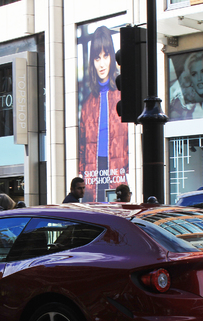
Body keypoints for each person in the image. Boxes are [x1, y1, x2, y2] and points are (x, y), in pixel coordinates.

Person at [78, 25, 128, 202]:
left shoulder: (122, 95)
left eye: (106, 56)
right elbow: (83, 148)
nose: (101, 63)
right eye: (97, 58)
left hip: (116, 169)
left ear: (112, 57)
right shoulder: (87, 104)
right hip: (94, 173)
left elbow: (128, 142)